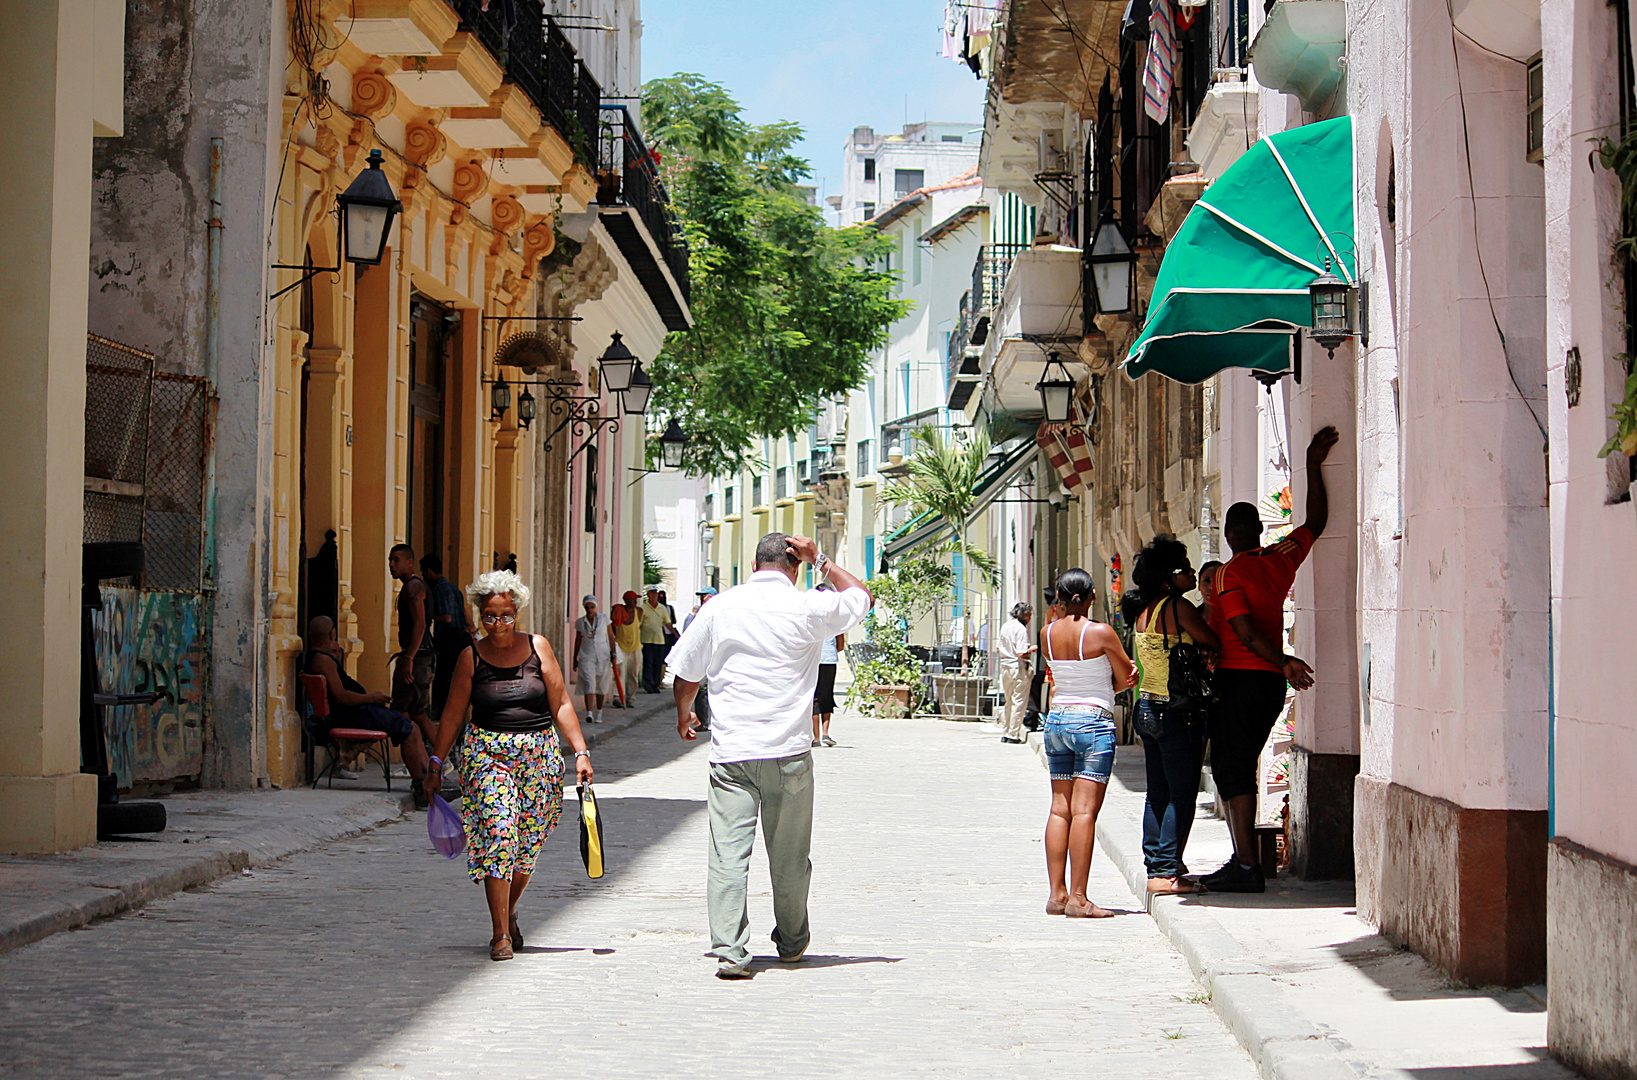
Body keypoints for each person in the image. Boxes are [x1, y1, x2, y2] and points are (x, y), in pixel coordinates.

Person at [669, 533, 871, 979]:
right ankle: (793, 942)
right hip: (790, 753)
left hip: (732, 756)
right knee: (791, 858)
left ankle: (730, 950)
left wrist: (685, 714)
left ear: (754, 563)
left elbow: (686, 672)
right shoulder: (807, 607)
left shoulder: (718, 608)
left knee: (727, 855)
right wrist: (823, 561)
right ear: (795, 566)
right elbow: (860, 597)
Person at [422, 570, 594, 962]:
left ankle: (509, 909)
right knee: (500, 835)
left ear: (517, 613)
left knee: (525, 846)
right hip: (487, 754)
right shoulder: (471, 656)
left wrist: (580, 751)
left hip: (539, 756)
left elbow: (562, 703)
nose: (497, 625)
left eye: (505, 616)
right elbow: (452, 712)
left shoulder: (538, 648)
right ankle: (500, 932)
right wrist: (436, 759)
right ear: (479, 615)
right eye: (489, 617)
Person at [1200, 425, 1338, 893]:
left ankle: (1245, 865)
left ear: (1229, 534)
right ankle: (1243, 860)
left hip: (1241, 679)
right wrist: (1313, 465)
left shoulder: (1228, 575)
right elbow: (1315, 522)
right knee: (1241, 765)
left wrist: (1282, 660)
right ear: (1258, 529)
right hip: (1267, 687)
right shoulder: (1279, 559)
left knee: (1230, 768)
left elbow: (1242, 631)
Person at [1120, 538, 1221, 896]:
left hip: (1146, 707)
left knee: (1157, 792)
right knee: (1181, 794)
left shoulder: (1147, 609)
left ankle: (1158, 865)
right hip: (1176, 711)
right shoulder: (1178, 608)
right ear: (1167, 579)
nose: (1192, 573)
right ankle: (1166, 871)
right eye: (1184, 568)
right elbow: (1213, 639)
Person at [1040, 568, 1137, 918]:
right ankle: (1080, 898)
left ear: (1060, 598)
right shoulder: (1100, 632)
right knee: (1084, 813)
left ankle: (1057, 894)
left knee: (1058, 809)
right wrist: (1120, 682)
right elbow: (1126, 676)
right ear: (1092, 595)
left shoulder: (1047, 632)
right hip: (1093, 722)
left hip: (1058, 720)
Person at [304, 616, 431, 806]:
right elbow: (342, 697)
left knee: (413, 727)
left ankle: (429, 780)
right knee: (410, 731)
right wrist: (373, 698)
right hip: (350, 714)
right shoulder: (323, 661)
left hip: (355, 711)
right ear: (332, 635)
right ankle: (421, 786)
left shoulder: (321, 658)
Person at [388, 544, 437, 747]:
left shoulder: (413, 587)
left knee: (402, 711)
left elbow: (420, 624)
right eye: (390, 560)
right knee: (417, 711)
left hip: (417, 657)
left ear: (410, 562)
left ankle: (419, 760)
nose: (391, 565)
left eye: (396, 560)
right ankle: (438, 757)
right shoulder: (412, 586)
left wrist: (408, 658)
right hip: (421, 656)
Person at [420, 554, 470, 724]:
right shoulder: (455, 589)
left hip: (448, 639)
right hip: (461, 638)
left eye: (424, 573)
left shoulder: (439, 589)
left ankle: (444, 715)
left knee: (444, 680)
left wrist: (428, 614)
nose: (424, 577)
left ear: (429, 571)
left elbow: (446, 617)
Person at [572, 595, 616, 724]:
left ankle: (599, 712)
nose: (590, 609)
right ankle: (589, 712)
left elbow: (611, 636)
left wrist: (613, 653)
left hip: (603, 655)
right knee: (589, 684)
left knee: (601, 685)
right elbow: (578, 640)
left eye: (592, 607)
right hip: (587, 656)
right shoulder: (580, 622)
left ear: (595, 607)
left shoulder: (604, 619)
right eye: (587, 607)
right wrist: (575, 658)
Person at [996, 602, 1035, 744]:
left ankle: (1006, 732)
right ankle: (1013, 734)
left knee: (1009, 701)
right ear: (1024, 615)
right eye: (1029, 615)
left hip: (1005, 666)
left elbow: (999, 649)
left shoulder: (1006, 626)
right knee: (1019, 701)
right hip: (1018, 667)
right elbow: (1021, 652)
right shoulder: (1021, 629)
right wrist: (1032, 649)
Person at [810, 586, 844, 748]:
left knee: (814, 697)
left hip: (814, 660)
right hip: (830, 660)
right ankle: (826, 733)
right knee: (827, 695)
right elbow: (841, 645)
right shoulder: (836, 619)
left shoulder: (811, 617)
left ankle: (815, 738)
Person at [684, 586, 718, 731]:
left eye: (706, 596)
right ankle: (702, 721)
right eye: (702, 596)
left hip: (716, 657)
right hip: (701, 658)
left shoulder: (719, 612)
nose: (703, 599)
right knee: (701, 690)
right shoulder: (696, 615)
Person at [611, 590, 643, 706]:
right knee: (620, 673)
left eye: (635, 600)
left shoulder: (639, 612)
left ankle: (631, 698)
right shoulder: (618, 612)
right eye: (632, 600)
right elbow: (612, 627)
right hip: (621, 647)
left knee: (633, 674)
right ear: (626, 601)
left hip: (635, 647)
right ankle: (618, 697)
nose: (634, 602)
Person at [640, 584, 674, 692]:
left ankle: (655, 684)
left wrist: (676, 634)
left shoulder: (662, 608)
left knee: (657, 663)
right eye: (652, 593)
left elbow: (668, 623)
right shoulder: (643, 608)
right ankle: (649, 683)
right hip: (646, 639)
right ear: (648, 594)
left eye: (656, 593)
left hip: (659, 640)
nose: (654, 595)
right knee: (648, 663)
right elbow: (639, 624)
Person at [1197, 559, 1224, 626]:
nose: (1211, 587)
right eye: (1206, 580)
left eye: (1217, 581)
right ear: (1199, 585)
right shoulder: (1191, 616)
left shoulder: (1237, 617)